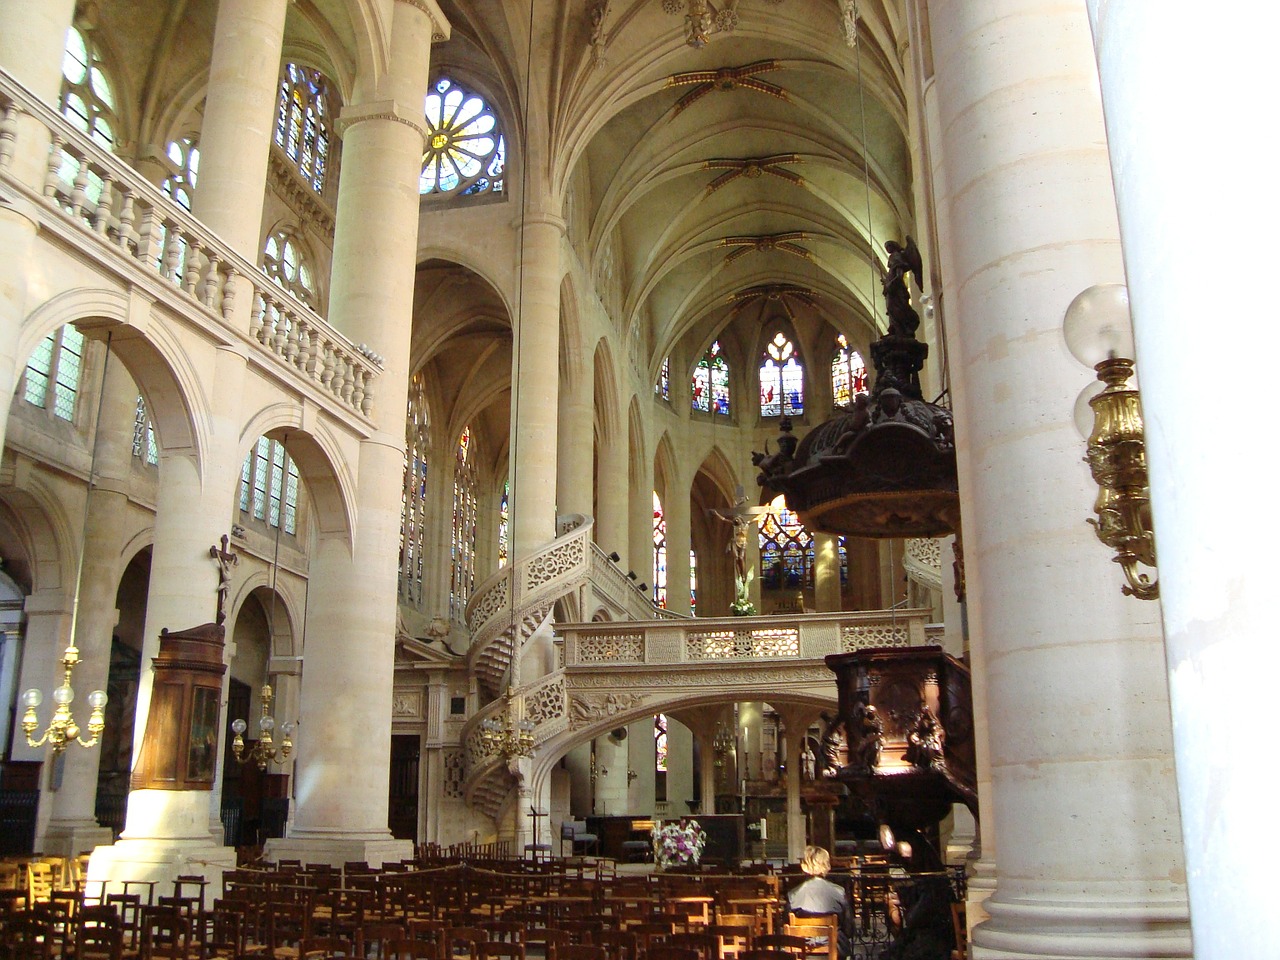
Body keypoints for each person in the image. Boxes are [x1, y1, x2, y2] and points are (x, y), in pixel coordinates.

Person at [788, 845, 854, 960]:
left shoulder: (793, 895)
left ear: (804, 867)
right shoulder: (838, 892)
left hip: (803, 949)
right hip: (834, 950)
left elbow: (786, 926)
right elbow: (849, 929)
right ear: (827, 866)